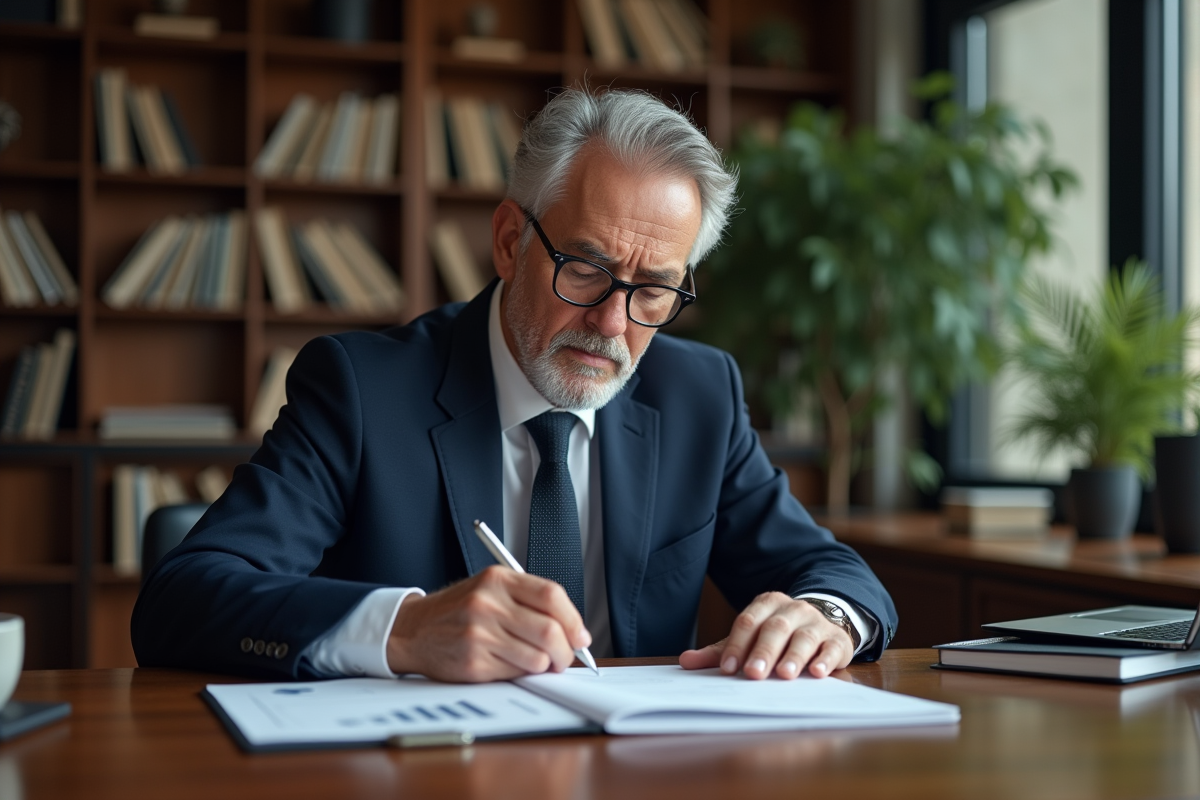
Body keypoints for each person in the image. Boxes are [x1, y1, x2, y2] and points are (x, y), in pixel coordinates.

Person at [132, 88, 897, 683]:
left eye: (653, 290)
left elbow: (833, 574)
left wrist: (821, 615)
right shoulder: (363, 388)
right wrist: (406, 629)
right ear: (508, 241)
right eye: (586, 270)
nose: (610, 323)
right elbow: (184, 598)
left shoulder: (698, 395)